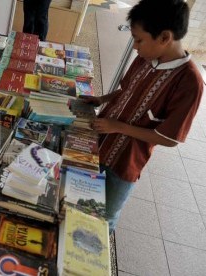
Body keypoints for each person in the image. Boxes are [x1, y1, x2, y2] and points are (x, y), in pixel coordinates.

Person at [81, 0, 204, 232]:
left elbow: (170, 138)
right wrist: (101, 100)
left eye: (139, 39)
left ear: (165, 38)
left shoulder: (190, 82)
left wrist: (118, 127)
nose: (135, 46)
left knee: (104, 217)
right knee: (80, 198)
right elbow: (126, 90)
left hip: (124, 164)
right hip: (98, 142)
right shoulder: (145, 57)